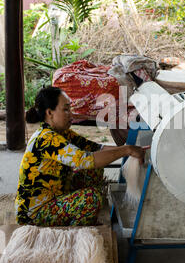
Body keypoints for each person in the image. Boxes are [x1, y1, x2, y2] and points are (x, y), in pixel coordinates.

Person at [15, 86, 147, 226]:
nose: (71, 114)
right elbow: (85, 160)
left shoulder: (62, 133)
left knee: (94, 169)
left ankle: (75, 212)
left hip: (56, 193)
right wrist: (127, 150)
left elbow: (98, 148)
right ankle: (75, 232)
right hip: (35, 214)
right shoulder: (47, 139)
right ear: (50, 113)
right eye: (65, 109)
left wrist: (131, 149)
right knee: (92, 198)